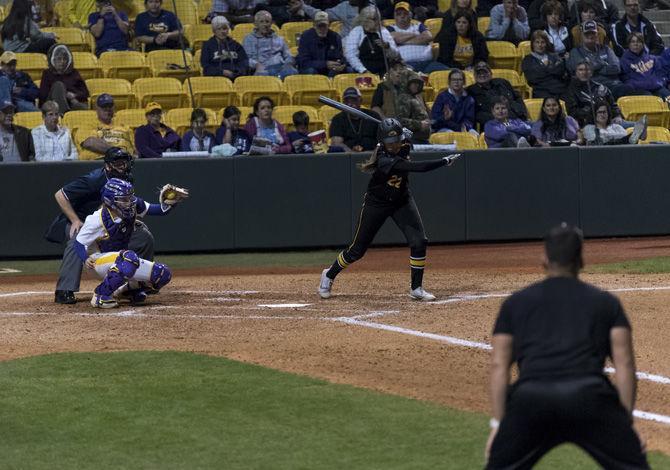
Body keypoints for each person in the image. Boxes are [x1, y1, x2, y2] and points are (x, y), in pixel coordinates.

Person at [486, 223, 649, 470]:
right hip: (590, 400)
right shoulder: (607, 303)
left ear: (544, 258)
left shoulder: (514, 304)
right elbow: (625, 364)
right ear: (581, 260)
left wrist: (498, 426)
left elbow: (499, 366)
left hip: (531, 402)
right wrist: (623, 426)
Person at [319, 118, 461, 301]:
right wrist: (443, 161)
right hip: (377, 203)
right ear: (383, 142)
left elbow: (406, 141)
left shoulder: (403, 143)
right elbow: (418, 167)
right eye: (390, 142)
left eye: (397, 141)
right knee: (356, 250)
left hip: (401, 199)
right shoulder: (384, 158)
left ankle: (416, 288)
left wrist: (407, 136)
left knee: (419, 241)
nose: (394, 145)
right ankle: (329, 274)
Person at [47, 147, 155, 305]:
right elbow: (60, 195)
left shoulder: (127, 178)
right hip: (83, 220)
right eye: (119, 163)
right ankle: (64, 289)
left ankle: (136, 284)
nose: (123, 167)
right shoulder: (95, 179)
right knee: (78, 239)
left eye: (125, 163)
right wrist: (75, 220)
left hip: (108, 222)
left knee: (143, 236)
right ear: (108, 166)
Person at [75, 178, 174, 308]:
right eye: (123, 199)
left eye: (129, 198)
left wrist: (172, 202)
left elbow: (159, 210)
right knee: (129, 258)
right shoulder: (96, 219)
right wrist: (85, 257)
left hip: (120, 259)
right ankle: (100, 295)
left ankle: (126, 290)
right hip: (96, 261)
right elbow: (79, 242)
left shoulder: (133, 206)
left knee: (162, 274)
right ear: (110, 200)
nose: (129, 202)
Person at [567, 21, 636, 100]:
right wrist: (603, 63)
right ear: (582, 35)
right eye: (587, 33)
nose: (590, 36)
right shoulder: (575, 52)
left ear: (597, 35)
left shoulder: (606, 49)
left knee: (632, 89)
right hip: (593, 87)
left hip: (614, 85)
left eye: (593, 33)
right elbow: (582, 72)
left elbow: (616, 68)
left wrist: (594, 68)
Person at [386, 2, 447, 74]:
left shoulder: (418, 25)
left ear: (410, 15)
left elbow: (428, 37)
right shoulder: (390, 28)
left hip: (427, 63)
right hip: (405, 65)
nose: (402, 17)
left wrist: (402, 41)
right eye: (399, 14)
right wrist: (416, 35)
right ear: (395, 17)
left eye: (405, 14)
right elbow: (396, 38)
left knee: (447, 72)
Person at [467, 61, 528, 129]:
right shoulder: (471, 91)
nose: (482, 75)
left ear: (491, 73)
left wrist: (522, 113)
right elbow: (476, 114)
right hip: (494, 125)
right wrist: (499, 118)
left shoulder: (502, 83)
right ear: (474, 76)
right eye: (479, 73)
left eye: (485, 72)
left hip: (516, 119)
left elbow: (517, 97)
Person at [564, 61, 625, 127]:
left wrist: (617, 116)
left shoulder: (601, 88)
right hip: (588, 124)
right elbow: (573, 112)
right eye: (581, 70)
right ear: (576, 73)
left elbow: (613, 106)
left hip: (610, 122)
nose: (584, 72)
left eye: (587, 69)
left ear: (591, 73)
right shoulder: (571, 91)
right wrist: (594, 113)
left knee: (635, 126)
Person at [344, 6, 399, 77]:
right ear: (365, 20)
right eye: (374, 19)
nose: (378, 22)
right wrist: (363, 70)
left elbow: (395, 55)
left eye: (379, 19)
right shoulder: (357, 31)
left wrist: (387, 47)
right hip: (363, 72)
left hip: (384, 71)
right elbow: (351, 55)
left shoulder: (384, 31)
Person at [243, 10, 297, 79]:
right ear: (255, 24)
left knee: (292, 72)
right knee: (261, 74)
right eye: (261, 21)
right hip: (262, 69)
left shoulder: (279, 39)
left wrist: (288, 63)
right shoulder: (249, 39)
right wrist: (256, 65)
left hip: (280, 67)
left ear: (271, 24)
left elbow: (288, 56)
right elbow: (245, 59)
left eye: (267, 22)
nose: (265, 24)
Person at [80, 94, 135, 160]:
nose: (107, 109)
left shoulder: (125, 127)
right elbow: (90, 143)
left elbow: (135, 149)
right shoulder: (88, 126)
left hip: (124, 163)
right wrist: (118, 153)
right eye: (104, 106)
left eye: (110, 106)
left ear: (114, 108)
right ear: (97, 109)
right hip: (97, 162)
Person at [295, 11, 348, 77]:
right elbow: (303, 62)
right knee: (311, 71)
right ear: (314, 25)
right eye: (319, 26)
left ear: (328, 25)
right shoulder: (306, 37)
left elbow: (340, 57)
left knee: (347, 70)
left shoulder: (335, 37)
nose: (322, 29)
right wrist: (325, 64)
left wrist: (341, 64)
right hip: (313, 68)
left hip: (330, 69)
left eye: (324, 26)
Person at [39, 44, 90, 112]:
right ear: (53, 60)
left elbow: (85, 93)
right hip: (52, 106)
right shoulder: (47, 73)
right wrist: (64, 94)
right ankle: (62, 114)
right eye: (59, 59)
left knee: (84, 109)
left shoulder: (74, 72)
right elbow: (43, 96)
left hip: (72, 103)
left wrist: (74, 95)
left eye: (65, 59)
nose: (62, 62)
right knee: (58, 85)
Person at [620, 33, 670, 100]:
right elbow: (626, 79)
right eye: (633, 42)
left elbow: (661, 74)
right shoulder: (624, 60)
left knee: (667, 96)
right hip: (639, 89)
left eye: (639, 41)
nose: (636, 44)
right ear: (629, 44)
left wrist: (660, 82)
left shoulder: (652, 58)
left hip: (656, 87)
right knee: (651, 100)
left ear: (643, 44)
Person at [329, 87, 380, 152]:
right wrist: (352, 155)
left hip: (372, 154)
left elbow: (382, 140)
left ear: (360, 101)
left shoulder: (372, 116)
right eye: (347, 101)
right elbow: (336, 143)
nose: (350, 104)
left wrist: (373, 154)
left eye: (353, 100)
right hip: (347, 157)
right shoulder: (338, 119)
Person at [521, 30, 568, 99]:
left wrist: (543, 70)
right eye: (537, 42)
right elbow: (533, 78)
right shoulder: (528, 60)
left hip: (559, 89)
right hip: (540, 91)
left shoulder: (554, 56)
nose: (540, 45)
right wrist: (552, 69)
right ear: (533, 44)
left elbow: (560, 71)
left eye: (543, 42)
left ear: (546, 44)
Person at [431, 69, 476, 134]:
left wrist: (465, 127)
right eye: (453, 79)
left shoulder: (469, 99)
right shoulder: (442, 97)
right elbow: (434, 119)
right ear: (449, 82)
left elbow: (469, 119)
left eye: (459, 79)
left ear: (464, 82)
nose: (456, 82)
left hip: (462, 128)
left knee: (474, 134)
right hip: (444, 127)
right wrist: (444, 118)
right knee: (451, 134)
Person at [583, 101, 647, 146]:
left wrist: (609, 137)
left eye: (605, 112)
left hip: (620, 152)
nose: (602, 115)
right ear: (594, 114)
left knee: (628, 141)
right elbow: (593, 139)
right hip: (601, 152)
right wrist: (614, 137)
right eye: (600, 112)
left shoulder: (616, 127)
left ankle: (637, 134)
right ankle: (634, 136)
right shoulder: (589, 128)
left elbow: (624, 137)